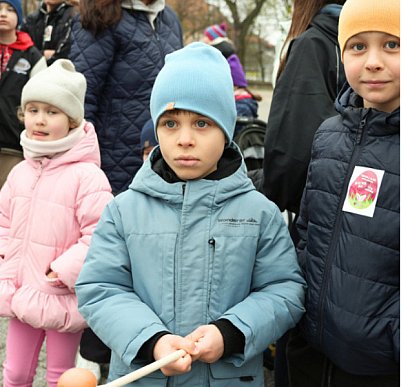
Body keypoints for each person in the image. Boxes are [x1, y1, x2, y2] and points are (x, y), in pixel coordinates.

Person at [75, 43, 305, 386]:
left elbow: (285, 290)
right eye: (170, 123)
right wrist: (152, 341)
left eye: (201, 123)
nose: (184, 139)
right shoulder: (123, 211)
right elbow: (100, 288)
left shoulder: (259, 213)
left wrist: (230, 333)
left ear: (226, 131)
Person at [287, 0, 400, 385]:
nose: (372, 61)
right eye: (357, 46)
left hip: (374, 362)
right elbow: (308, 230)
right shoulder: (328, 134)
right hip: (314, 350)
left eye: (391, 45)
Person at [0, 59, 113, 386]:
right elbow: (4, 221)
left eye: (52, 112)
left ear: (73, 119)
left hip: (61, 291)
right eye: (32, 110)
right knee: (15, 372)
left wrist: (65, 271)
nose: (40, 120)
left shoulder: (87, 175)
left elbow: (100, 233)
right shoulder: (21, 171)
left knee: (60, 377)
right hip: (23, 292)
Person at [70, 0, 182, 194]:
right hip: (114, 157)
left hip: (165, 152)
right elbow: (83, 97)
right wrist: (85, 162)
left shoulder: (170, 19)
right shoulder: (101, 14)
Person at [262, 0, 347, 219]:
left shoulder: (312, 44)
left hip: (316, 211)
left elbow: (290, 153)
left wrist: (267, 188)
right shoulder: (360, 43)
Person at [0, 0, 46, 188]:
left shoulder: (32, 56)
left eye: (10, 10)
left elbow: (42, 99)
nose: (3, 14)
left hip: (14, 146)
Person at [201, 23, 262, 133]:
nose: (202, 39)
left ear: (212, 38)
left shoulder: (215, 52)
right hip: (243, 99)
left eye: (205, 36)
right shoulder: (228, 52)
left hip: (238, 102)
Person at [20, 0, 78, 65]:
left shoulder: (73, 17)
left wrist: (35, 56)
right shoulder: (31, 19)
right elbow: (21, 53)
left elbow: (64, 55)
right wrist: (43, 54)